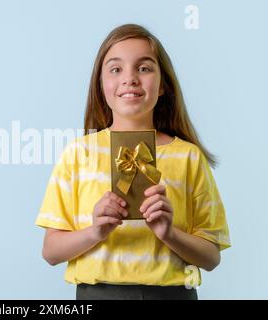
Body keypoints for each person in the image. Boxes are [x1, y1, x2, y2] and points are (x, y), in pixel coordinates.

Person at [35, 24, 231, 300]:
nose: (130, 78)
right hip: (96, 294)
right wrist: (96, 231)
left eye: (144, 68)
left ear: (163, 85)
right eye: (116, 69)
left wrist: (169, 233)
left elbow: (211, 257)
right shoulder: (79, 154)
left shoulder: (188, 157)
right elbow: (51, 252)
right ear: (101, 84)